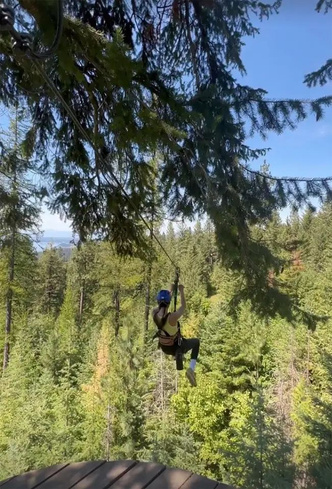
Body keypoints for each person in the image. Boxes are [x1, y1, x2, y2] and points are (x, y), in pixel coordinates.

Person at [152, 283, 200, 387]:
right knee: (196, 342)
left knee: (176, 342)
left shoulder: (154, 314)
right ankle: (191, 369)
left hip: (164, 347)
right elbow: (183, 306)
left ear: (158, 302)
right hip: (175, 345)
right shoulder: (173, 317)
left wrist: (171, 290)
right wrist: (181, 290)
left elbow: (163, 306)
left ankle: (178, 354)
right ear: (169, 303)